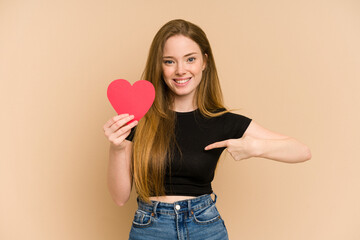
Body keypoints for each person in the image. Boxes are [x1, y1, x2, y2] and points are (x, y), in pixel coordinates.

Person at [103, 19, 311, 240]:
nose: (181, 70)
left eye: (190, 59)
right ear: (159, 66)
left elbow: (301, 151)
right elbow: (120, 197)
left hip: (204, 226)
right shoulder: (139, 117)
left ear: (204, 61)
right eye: (169, 61)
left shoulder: (222, 121)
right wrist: (116, 148)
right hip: (151, 228)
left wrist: (255, 147)